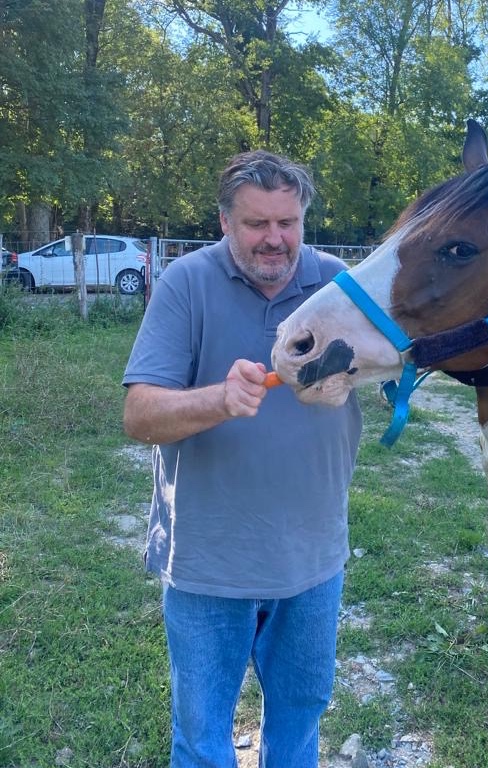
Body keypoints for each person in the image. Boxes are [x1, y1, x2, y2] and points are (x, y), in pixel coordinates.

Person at [122, 150, 363, 768]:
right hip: (209, 563)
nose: (274, 239)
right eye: (257, 223)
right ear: (225, 221)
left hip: (313, 559)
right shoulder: (187, 282)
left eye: (288, 222)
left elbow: (405, 363)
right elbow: (139, 415)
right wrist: (219, 400)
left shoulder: (340, 287)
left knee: (299, 729)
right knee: (202, 739)